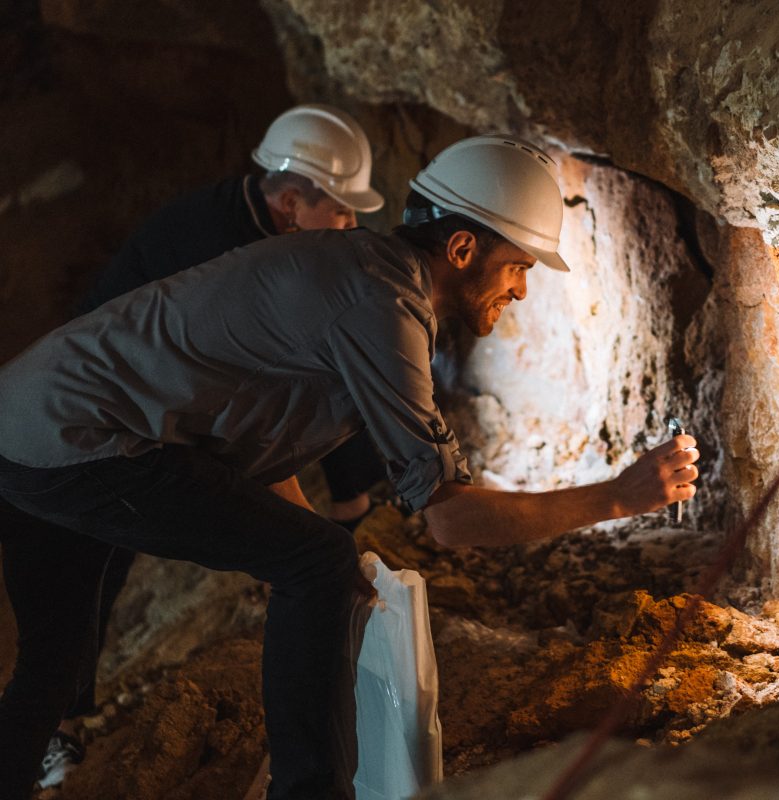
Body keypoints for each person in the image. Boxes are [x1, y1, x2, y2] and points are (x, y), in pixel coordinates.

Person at [0, 134, 700, 799]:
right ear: (461, 247)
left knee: (55, 663)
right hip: (85, 440)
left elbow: (256, 438)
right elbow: (450, 518)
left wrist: (315, 565)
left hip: (26, 421)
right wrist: (617, 496)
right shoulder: (383, 306)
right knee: (315, 562)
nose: (520, 289)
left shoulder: (348, 269)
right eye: (518, 265)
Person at [23, 104, 392, 790]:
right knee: (80, 576)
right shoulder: (213, 245)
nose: (351, 228)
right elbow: (233, 413)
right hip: (94, 418)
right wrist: (292, 528)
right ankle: (54, 735)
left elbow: (312, 371)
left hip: (137, 409)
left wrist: (345, 497)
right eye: (341, 212)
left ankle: (55, 728)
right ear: (289, 203)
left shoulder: (281, 242)